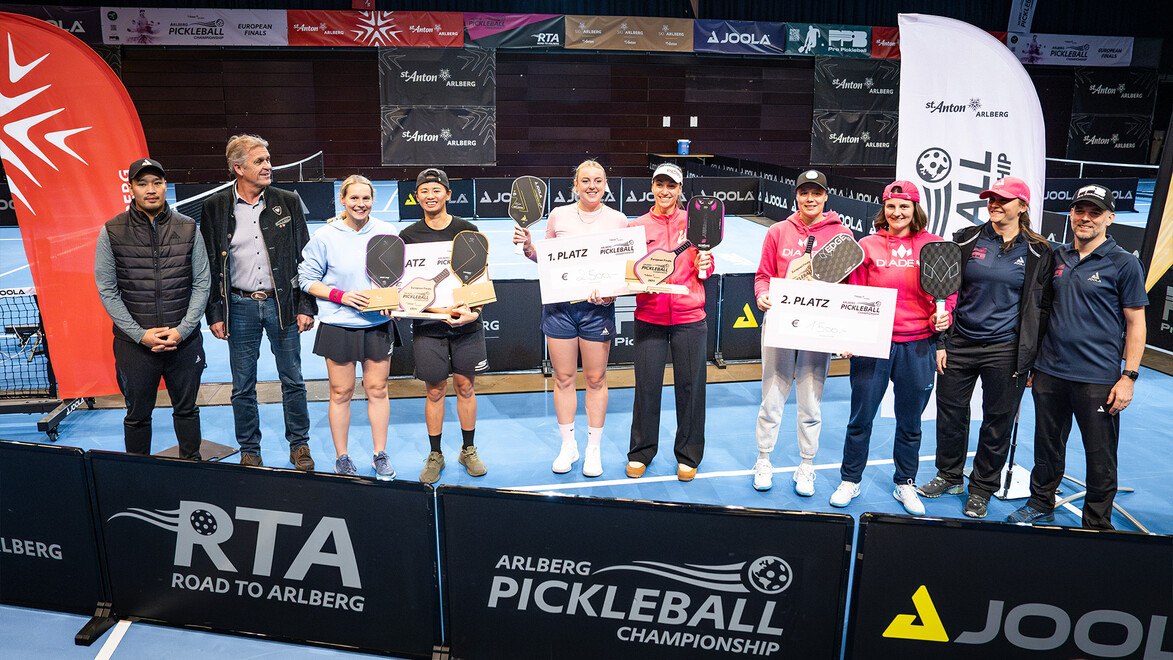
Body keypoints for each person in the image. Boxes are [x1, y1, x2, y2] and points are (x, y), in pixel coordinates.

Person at [1006, 184, 1147, 530]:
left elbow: (1136, 324)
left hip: (1097, 379)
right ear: (1070, 214)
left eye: (1094, 212)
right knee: (1047, 445)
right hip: (1050, 371)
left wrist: (1128, 378)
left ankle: (1096, 522)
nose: (1085, 217)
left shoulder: (1124, 264)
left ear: (1110, 218)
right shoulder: (1058, 256)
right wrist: (1032, 363)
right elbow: (1043, 312)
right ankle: (1041, 502)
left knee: (1099, 455)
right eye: (1079, 210)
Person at [918, 176, 1053, 519]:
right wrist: (942, 341)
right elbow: (946, 292)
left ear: (1022, 206)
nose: (994, 204)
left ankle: (981, 488)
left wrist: (1031, 359)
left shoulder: (1039, 251)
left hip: (1005, 350)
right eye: (991, 199)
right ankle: (950, 476)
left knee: (997, 421)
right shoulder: (966, 239)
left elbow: (1043, 309)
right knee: (951, 414)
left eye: (1003, 200)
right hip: (960, 343)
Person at [831, 181, 952, 515]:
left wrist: (945, 314)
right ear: (883, 209)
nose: (897, 213)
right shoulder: (866, 245)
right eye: (891, 206)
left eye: (904, 206)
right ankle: (850, 479)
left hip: (917, 345)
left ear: (916, 210)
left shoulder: (934, 245)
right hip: (873, 345)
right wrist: (849, 335)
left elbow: (946, 294)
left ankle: (905, 482)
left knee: (910, 422)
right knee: (861, 417)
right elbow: (853, 292)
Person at [200, 134, 317, 470]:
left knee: (293, 380)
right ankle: (250, 449)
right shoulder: (215, 207)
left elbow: (307, 259)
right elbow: (209, 263)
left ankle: (300, 446)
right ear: (238, 168)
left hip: (283, 305)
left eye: (268, 160)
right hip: (239, 308)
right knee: (243, 386)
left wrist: (306, 305)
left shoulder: (287, 201)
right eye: (260, 161)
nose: (268, 166)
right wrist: (215, 312)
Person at [514, 160, 628, 477]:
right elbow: (546, 257)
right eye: (585, 180)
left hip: (597, 311)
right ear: (575, 185)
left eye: (598, 180)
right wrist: (528, 247)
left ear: (606, 185)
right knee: (563, 379)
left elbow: (625, 268)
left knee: (595, 380)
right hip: (560, 309)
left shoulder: (619, 221)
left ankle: (593, 449)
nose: (592, 185)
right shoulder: (559, 215)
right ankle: (569, 445)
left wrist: (611, 294)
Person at [95, 158, 210, 459]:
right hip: (135, 346)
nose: (151, 189)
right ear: (131, 188)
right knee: (137, 416)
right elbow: (107, 289)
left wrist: (182, 331)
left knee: (187, 410)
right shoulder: (111, 231)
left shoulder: (188, 228)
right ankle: (139, 474)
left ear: (164, 186)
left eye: (157, 183)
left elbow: (202, 284)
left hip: (183, 343)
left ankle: (192, 469)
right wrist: (139, 335)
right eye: (143, 183)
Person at [752, 169, 852, 494]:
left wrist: (843, 333)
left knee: (810, 401)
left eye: (817, 193)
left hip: (816, 330)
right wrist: (762, 295)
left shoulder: (841, 236)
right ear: (796, 195)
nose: (810, 199)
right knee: (772, 397)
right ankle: (764, 459)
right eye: (804, 193)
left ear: (825, 196)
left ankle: (806, 466)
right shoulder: (778, 231)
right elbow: (763, 275)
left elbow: (847, 289)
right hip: (780, 323)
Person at [299, 175, 401, 479]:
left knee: (378, 389)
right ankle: (342, 457)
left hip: (377, 324)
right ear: (342, 200)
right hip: (338, 325)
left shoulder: (387, 232)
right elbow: (306, 280)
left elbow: (398, 276)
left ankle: (379, 454)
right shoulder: (325, 236)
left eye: (366, 198)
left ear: (373, 200)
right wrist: (340, 296)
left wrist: (391, 298)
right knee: (341, 392)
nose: (360, 204)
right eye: (353, 198)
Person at [625, 163, 714, 482]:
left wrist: (706, 264)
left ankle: (689, 455)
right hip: (649, 317)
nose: (665, 191)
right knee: (646, 388)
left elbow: (707, 265)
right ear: (652, 187)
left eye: (671, 186)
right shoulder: (636, 227)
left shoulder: (696, 221)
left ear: (680, 190)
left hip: (690, 318)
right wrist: (637, 280)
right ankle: (641, 452)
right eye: (660, 184)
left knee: (691, 388)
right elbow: (629, 271)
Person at [401, 168, 488, 484]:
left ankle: (468, 449)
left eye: (436, 190)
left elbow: (481, 277)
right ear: (417, 196)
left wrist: (475, 310)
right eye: (424, 190)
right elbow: (405, 289)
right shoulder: (408, 237)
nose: (430, 195)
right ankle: (435, 453)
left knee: (466, 387)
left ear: (448, 194)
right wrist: (428, 308)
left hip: (466, 326)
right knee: (435, 390)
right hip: (429, 326)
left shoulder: (468, 231)